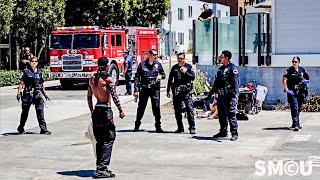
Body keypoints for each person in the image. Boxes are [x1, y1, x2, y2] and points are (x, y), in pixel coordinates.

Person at [87, 56, 125, 178]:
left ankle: (100, 167)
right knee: (109, 138)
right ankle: (102, 168)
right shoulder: (108, 79)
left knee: (100, 141)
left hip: (97, 110)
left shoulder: (92, 79)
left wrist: (92, 110)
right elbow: (114, 96)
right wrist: (120, 110)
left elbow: (88, 96)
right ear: (106, 66)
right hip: (105, 110)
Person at [207, 50, 239, 141]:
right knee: (221, 114)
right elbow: (216, 83)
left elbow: (235, 83)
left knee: (231, 114)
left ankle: (234, 133)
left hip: (229, 96)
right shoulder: (221, 69)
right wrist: (211, 94)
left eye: (221, 57)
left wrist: (235, 95)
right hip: (221, 96)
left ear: (226, 58)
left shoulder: (232, 68)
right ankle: (223, 131)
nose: (220, 58)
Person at [16, 57, 51, 135]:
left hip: (37, 94)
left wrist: (44, 94)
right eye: (32, 61)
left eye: (35, 61)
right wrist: (18, 93)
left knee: (40, 112)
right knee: (25, 112)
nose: (34, 62)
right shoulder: (26, 71)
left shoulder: (39, 71)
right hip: (28, 94)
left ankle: (43, 129)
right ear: (30, 62)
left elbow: (41, 84)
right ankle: (21, 127)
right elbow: (21, 83)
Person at [133, 49, 166, 133]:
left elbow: (164, 75)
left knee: (156, 108)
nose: (156, 56)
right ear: (149, 55)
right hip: (144, 89)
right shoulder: (142, 65)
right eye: (154, 55)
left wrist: (160, 76)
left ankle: (158, 126)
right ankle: (137, 125)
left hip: (155, 90)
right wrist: (136, 90)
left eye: (156, 55)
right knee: (141, 108)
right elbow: (137, 78)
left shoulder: (158, 65)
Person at [167, 52, 196, 134]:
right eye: (178, 58)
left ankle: (192, 127)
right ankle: (180, 127)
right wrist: (168, 90)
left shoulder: (188, 67)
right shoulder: (174, 68)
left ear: (184, 58)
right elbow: (170, 79)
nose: (180, 60)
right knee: (177, 110)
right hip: (177, 92)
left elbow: (193, 77)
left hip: (186, 92)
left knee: (189, 110)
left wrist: (185, 72)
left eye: (181, 58)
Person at [282, 56, 309, 131]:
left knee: (298, 108)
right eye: (293, 62)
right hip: (292, 92)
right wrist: (287, 90)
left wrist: (306, 81)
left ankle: (294, 123)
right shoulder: (289, 70)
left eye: (295, 62)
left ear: (299, 62)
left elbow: (307, 78)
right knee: (295, 108)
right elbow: (284, 81)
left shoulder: (302, 70)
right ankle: (297, 125)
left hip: (301, 92)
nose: (294, 63)